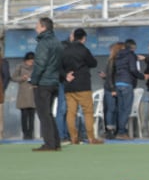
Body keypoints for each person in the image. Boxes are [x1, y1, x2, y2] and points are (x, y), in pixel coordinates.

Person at [61, 28, 102, 145]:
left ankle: (73, 137)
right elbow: (93, 63)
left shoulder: (65, 50)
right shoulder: (84, 50)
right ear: (84, 38)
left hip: (69, 85)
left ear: (73, 37)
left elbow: (58, 65)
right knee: (88, 112)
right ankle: (91, 138)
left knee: (71, 112)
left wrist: (65, 75)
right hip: (83, 85)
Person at [30, 18, 63, 152]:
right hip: (54, 81)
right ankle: (55, 142)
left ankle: (49, 144)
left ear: (43, 27)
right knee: (48, 113)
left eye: (37, 25)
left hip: (44, 82)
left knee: (44, 114)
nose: (35, 27)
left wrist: (34, 80)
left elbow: (40, 63)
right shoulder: (57, 42)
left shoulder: (43, 43)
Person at [109, 39, 142, 139]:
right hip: (127, 83)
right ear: (132, 47)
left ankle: (120, 131)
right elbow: (133, 69)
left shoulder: (117, 55)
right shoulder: (131, 55)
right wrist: (142, 76)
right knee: (126, 110)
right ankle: (122, 132)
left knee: (120, 109)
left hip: (118, 83)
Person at [15, 52, 36, 140]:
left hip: (33, 92)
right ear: (26, 60)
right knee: (24, 115)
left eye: (32, 61)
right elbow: (13, 77)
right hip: (23, 93)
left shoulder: (36, 67)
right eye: (30, 61)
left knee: (32, 115)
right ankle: (25, 133)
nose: (31, 63)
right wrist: (22, 78)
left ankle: (31, 133)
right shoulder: (20, 67)